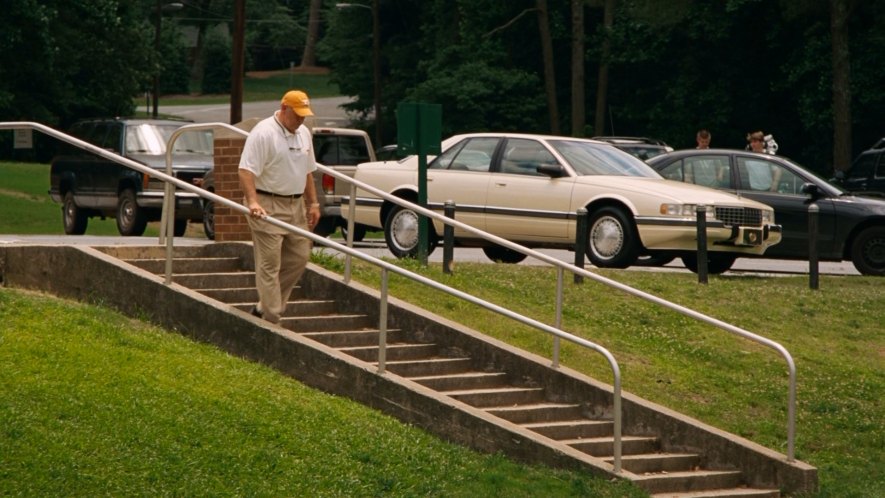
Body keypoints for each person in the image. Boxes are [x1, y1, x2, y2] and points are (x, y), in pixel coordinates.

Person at [238, 90, 321, 324]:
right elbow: (245, 170)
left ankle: (264, 307)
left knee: (299, 257)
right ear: (284, 109)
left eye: (304, 115)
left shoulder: (303, 133)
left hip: (295, 205)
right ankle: (272, 316)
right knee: (270, 263)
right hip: (266, 203)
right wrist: (253, 201)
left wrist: (313, 203)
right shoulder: (264, 133)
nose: (301, 120)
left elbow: (307, 170)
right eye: (297, 115)